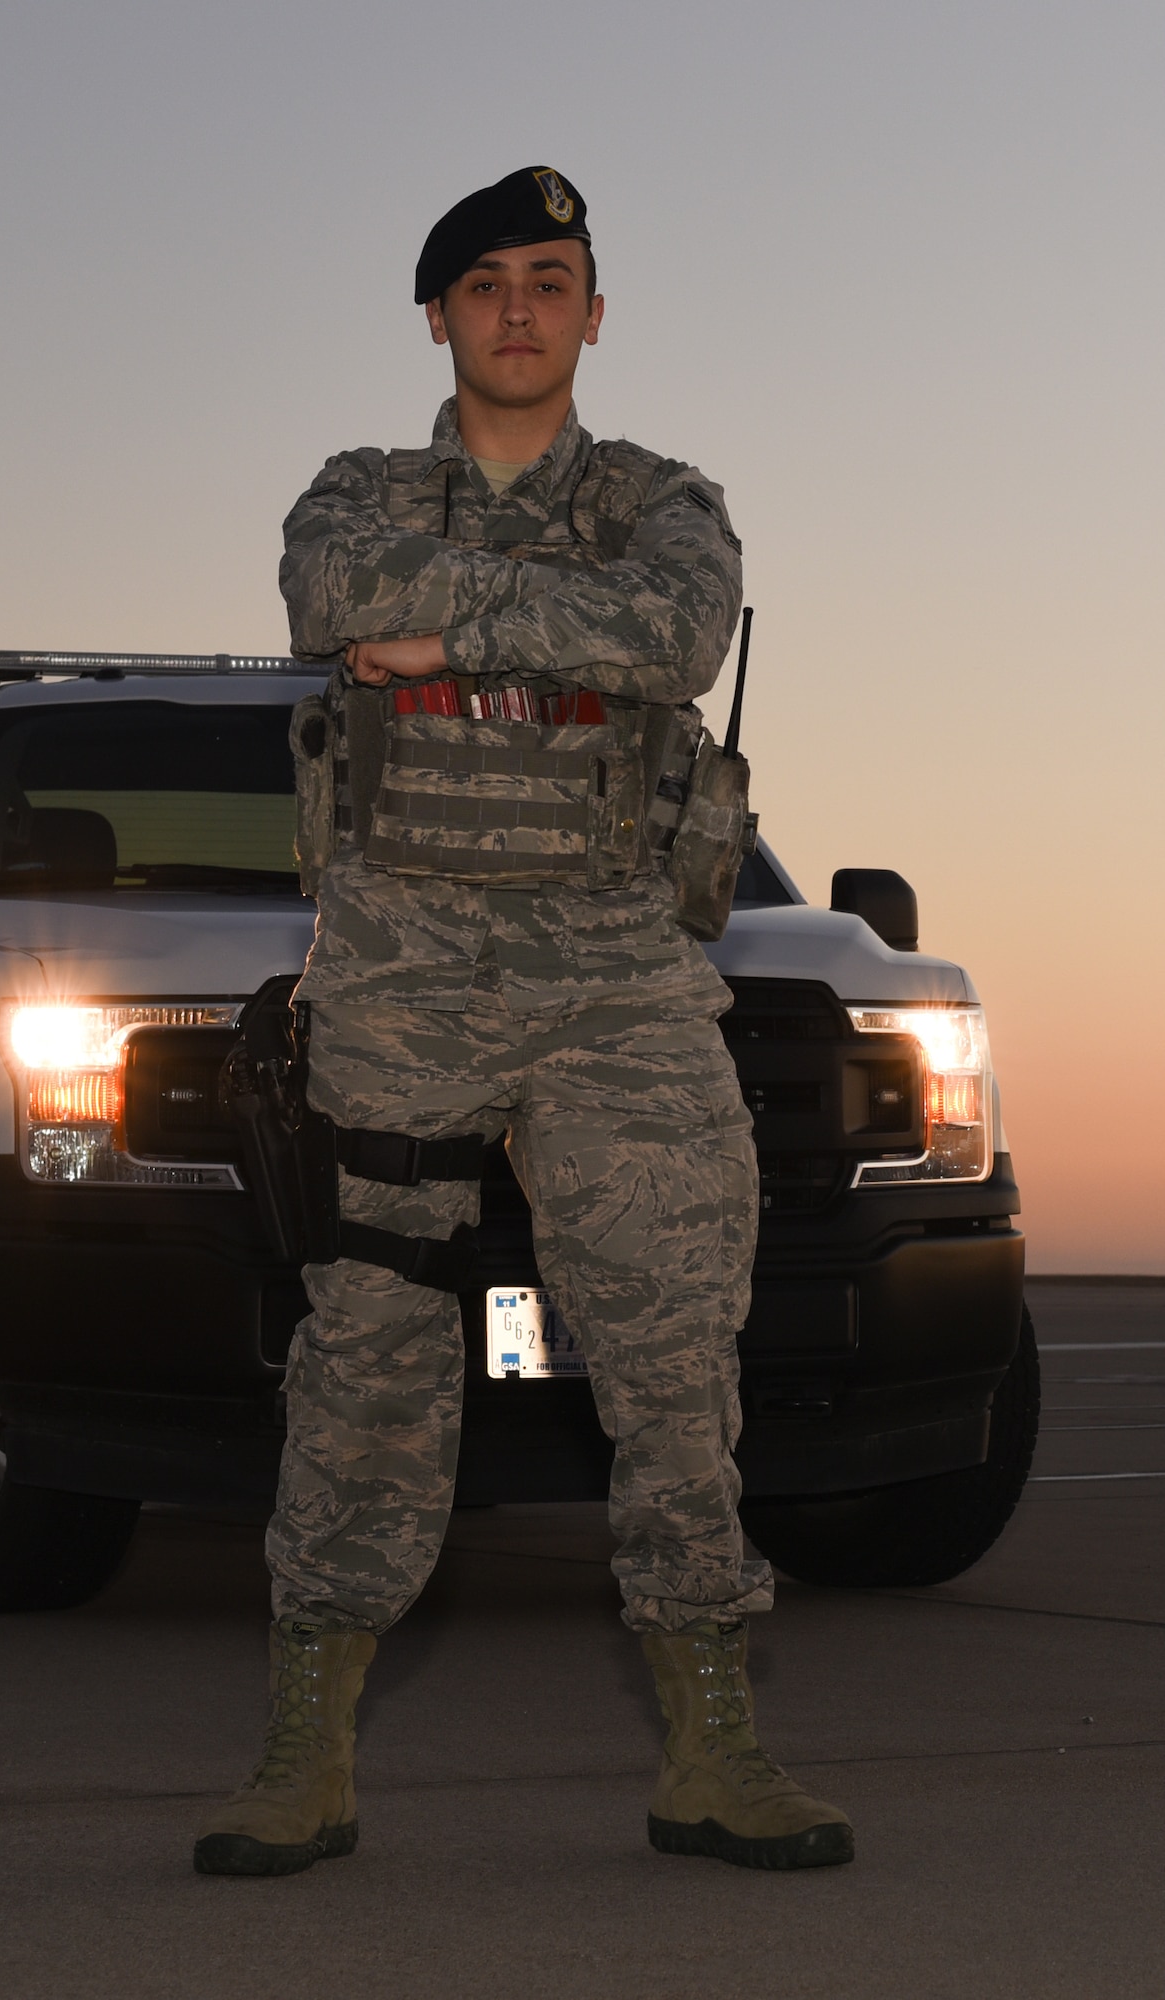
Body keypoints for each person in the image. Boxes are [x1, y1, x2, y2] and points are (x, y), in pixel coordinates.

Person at [194, 166, 852, 1878]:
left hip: (619, 987)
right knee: (368, 1362)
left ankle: (713, 1752)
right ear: (438, 314)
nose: (516, 309)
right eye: (485, 281)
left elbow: (677, 630)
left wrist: (447, 628)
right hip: (402, 978)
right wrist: (449, 633)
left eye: (549, 279)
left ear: (591, 312)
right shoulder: (354, 493)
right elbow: (330, 597)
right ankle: (307, 1756)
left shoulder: (662, 498)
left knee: (669, 1360)